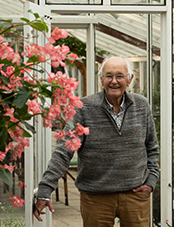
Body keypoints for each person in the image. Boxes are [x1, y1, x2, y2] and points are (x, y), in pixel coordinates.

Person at [33, 56, 160, 227]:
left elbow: (152, 147)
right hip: (96, 198)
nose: (114, 81)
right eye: (108, 76)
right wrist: (45, 189)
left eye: (120, 76)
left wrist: (151, 182)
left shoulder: (142, 105)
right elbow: (64, 151)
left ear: (129, 80)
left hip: (135, 195)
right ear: (101, 79)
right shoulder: (83, 108)